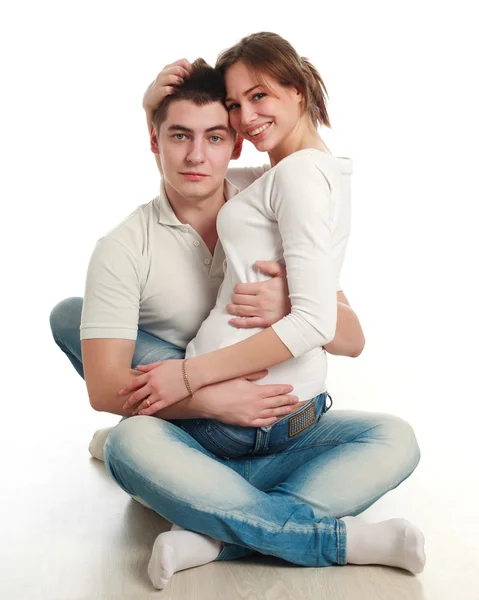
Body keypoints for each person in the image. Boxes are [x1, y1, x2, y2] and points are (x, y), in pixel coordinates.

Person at [99, 33, 425, 590]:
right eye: (236, 104)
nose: (247, 117)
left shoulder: (299, 176)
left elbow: (322, 323)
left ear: (298, 91)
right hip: (244, 418)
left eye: (260, 97)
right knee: (115, 406)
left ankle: (217, 528)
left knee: (394, 438)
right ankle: (320, 534)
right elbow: (195, 173)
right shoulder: (301, 174)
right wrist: (151, 111)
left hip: (259, 418)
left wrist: (189, 374)